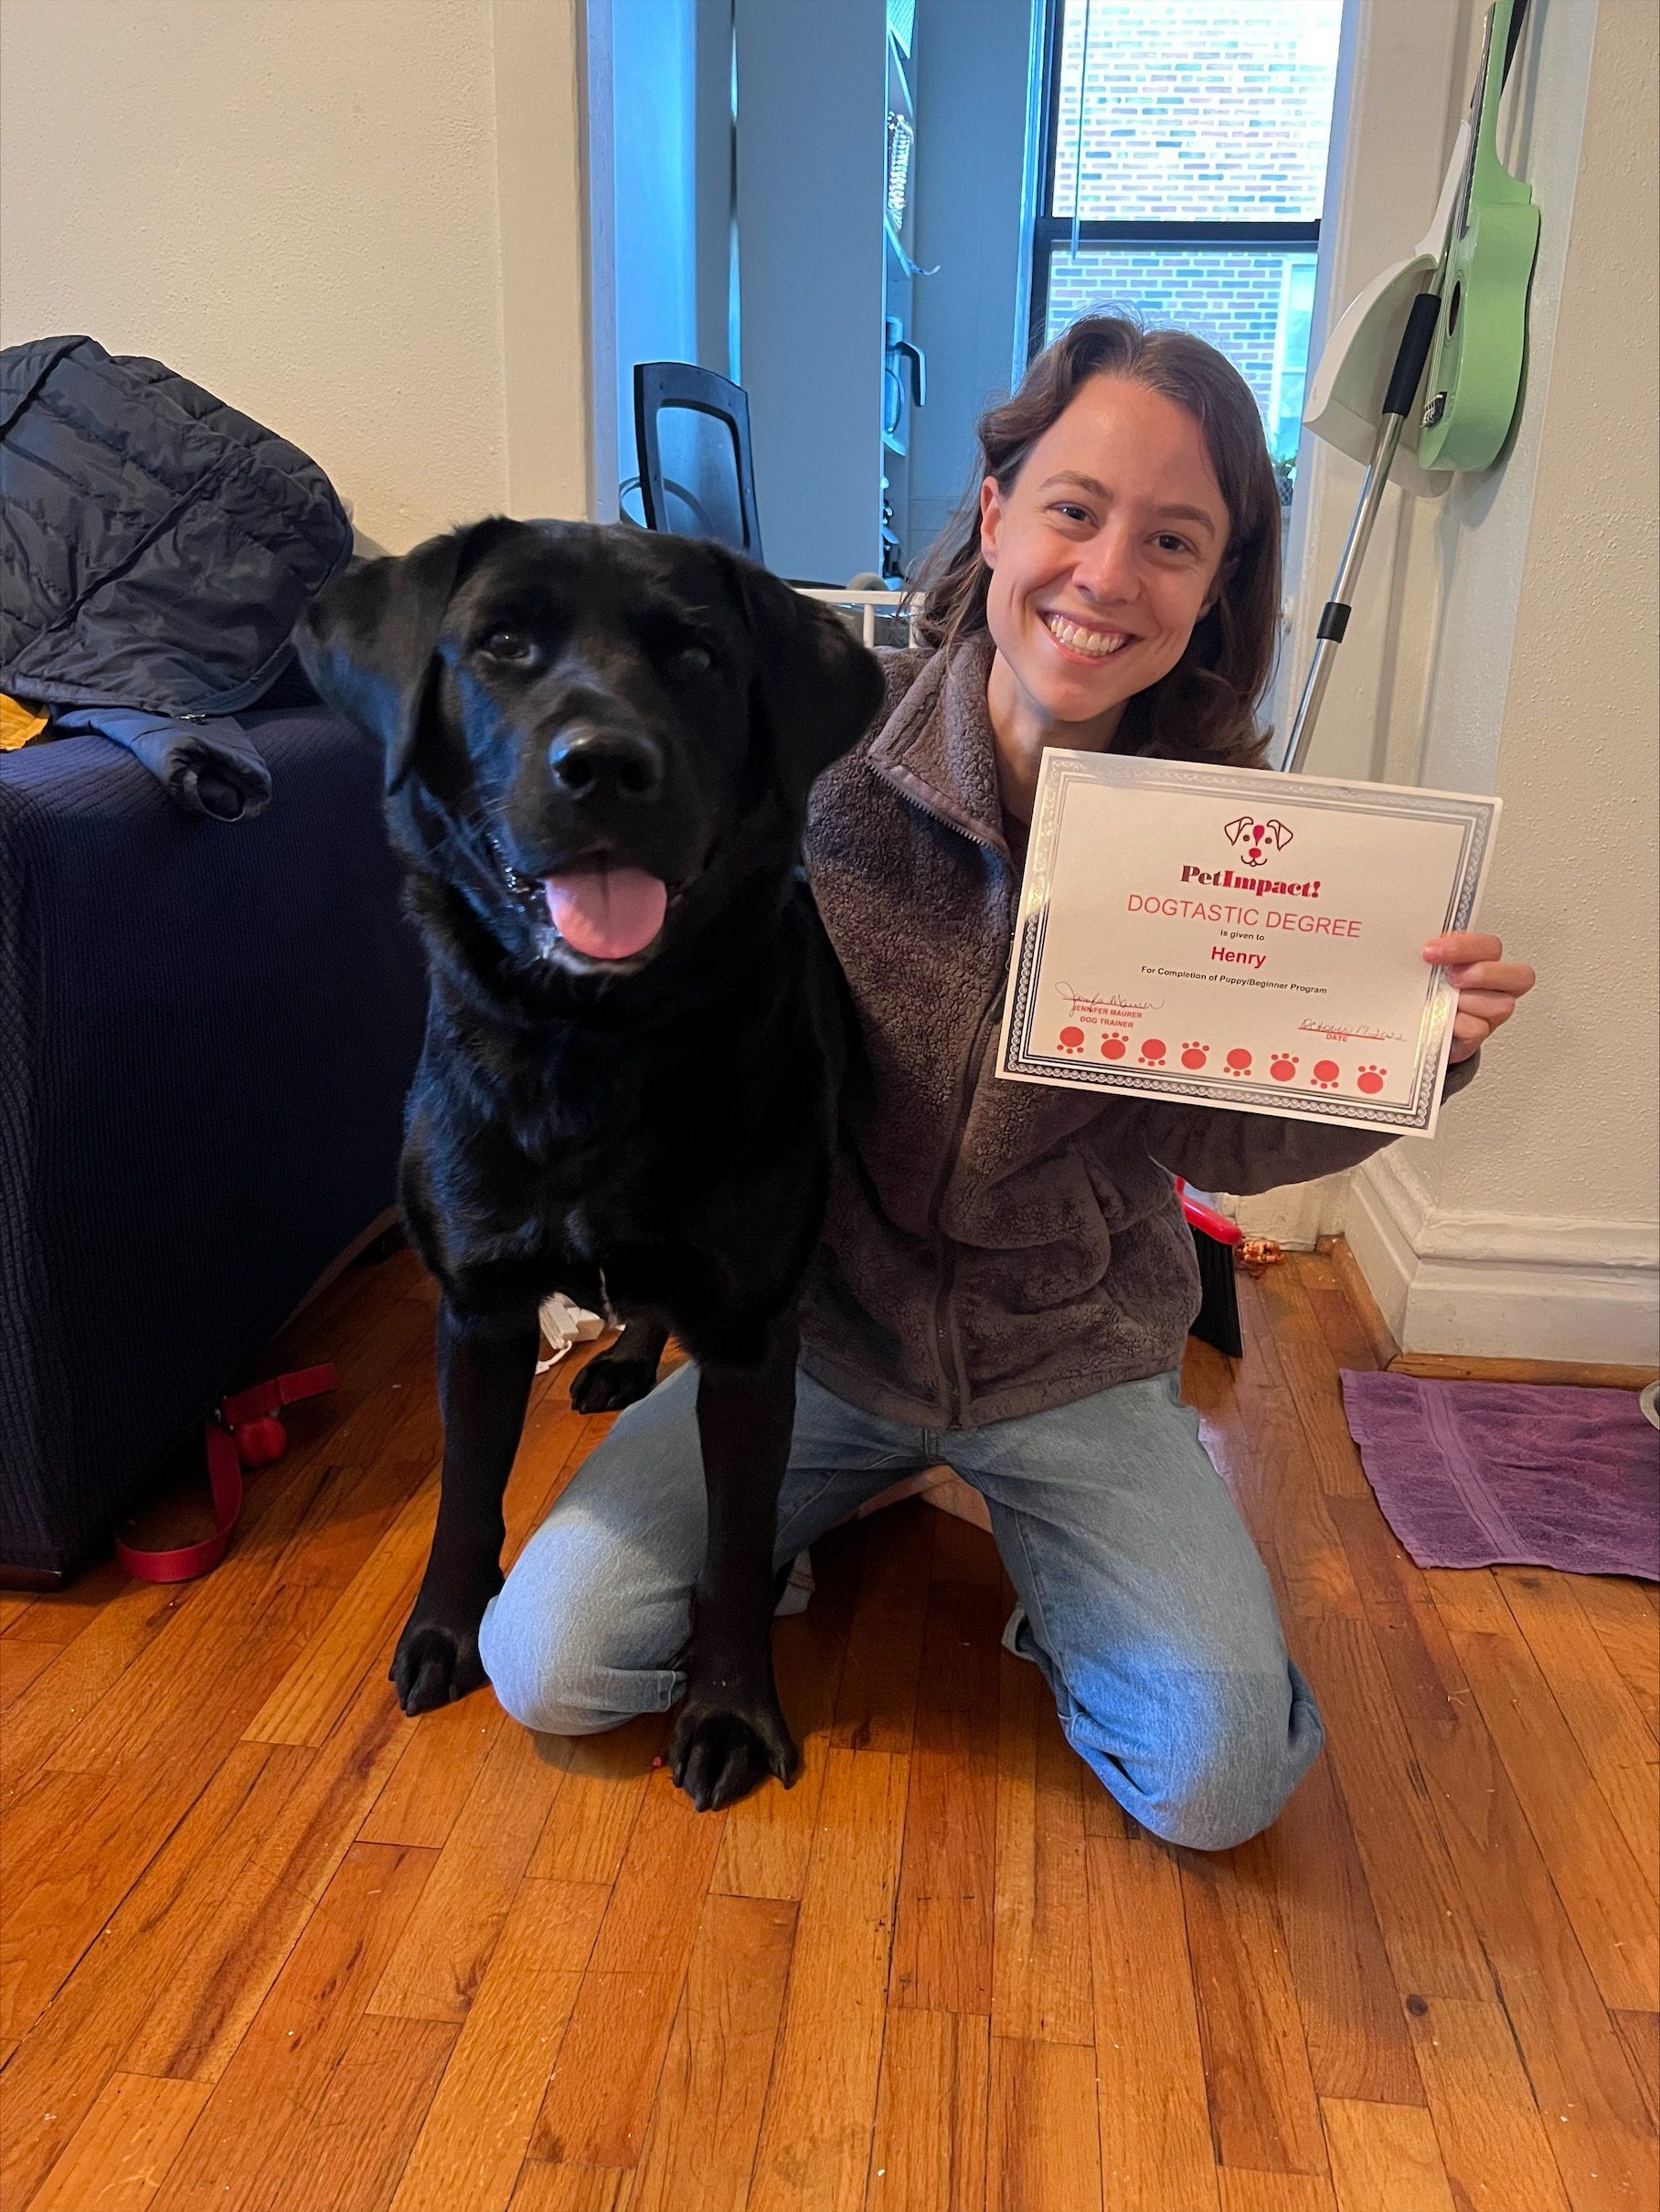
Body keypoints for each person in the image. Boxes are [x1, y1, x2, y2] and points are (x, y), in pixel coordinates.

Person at [479, 317, 1535, 1850]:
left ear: (1218, 590)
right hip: (811, 1348)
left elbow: (1226, 1151)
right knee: (552, 1664)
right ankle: (817, 1512)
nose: (1109, 575)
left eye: (1175, 541)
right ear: (993, 516)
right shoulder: (809, 752)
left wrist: (1411, 1057)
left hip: (1072, 1363)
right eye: (1074, 509)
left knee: (1219, 1783)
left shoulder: (1228, 846)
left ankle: (1055, 1579)